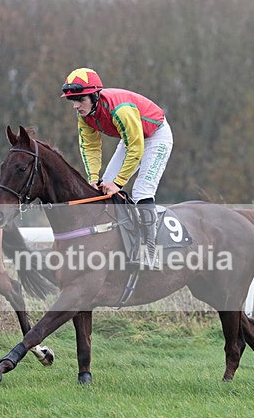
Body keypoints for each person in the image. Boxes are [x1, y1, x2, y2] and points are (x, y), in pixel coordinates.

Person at [61, 67, 173, 268]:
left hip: (156, 136)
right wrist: (93, 177)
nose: (76, 106)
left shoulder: (120, 110)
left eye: (80, 99)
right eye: (72, 100)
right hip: (131, 140)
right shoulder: (84, 116)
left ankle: (150, 252)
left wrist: (119, 183)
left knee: (141, 191)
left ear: (95, 95)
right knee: (104, 187)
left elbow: (136, 148)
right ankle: (118, 243)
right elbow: (90, 146)